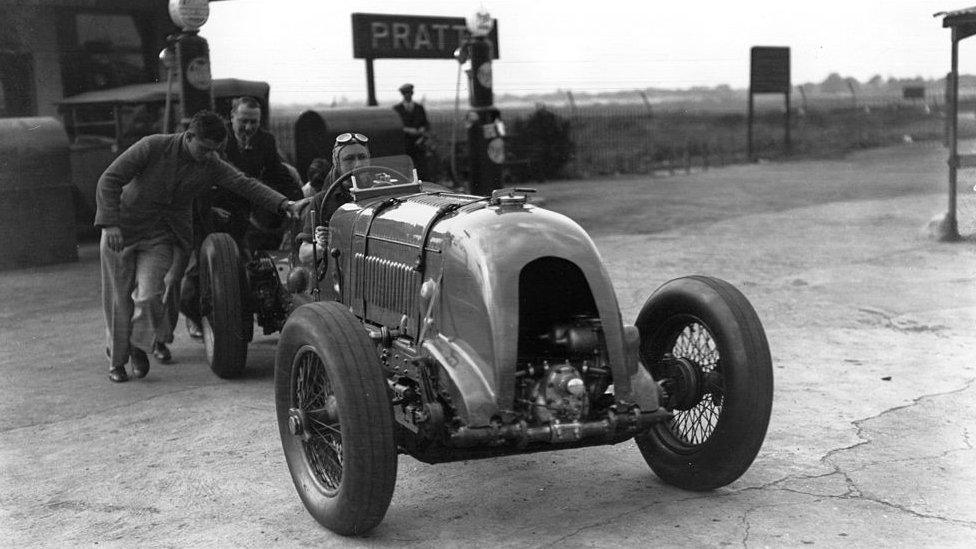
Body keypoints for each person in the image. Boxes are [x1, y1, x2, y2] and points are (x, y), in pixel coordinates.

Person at [96, 110, 306, 383]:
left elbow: (244, 184)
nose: (209, 155)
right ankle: (117, 362)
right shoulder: (153, 146)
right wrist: (109, 224)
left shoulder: (211, 162)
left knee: (149, 295)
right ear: (189, 136)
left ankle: (139, 344)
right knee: (117, 299)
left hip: (160, 236)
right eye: (205, 148)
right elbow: (108, 180)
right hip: (121, 231)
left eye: (215, 150)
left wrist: (285, 204)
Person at [168, 97, 302, 342]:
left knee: (245, 267)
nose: (249, 127)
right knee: (206, 266)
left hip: (242, 214)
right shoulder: (217, 139)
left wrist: (295, 201)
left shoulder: (266, 141)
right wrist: (211, 209)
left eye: (254, 122)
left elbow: (277, 174)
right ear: (232, 117)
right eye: (243, 121)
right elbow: (198, 181)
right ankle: (194, 312)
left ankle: (241, 319)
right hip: (209, 212)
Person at [297, 133, 371, 266]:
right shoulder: (322, 201)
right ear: (337, 163)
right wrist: (320, 247)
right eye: (349, 159)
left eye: (362, 157)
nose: (358, 164)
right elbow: (304, 255)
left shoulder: (384, 192)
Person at [392, 83, 431, 180]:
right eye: (405, 93)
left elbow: (426, 123)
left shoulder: (419, 108)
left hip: (419, 143)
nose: (407, 95)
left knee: (421, 166)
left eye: (409, 93)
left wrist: (422, 129)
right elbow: (395, 126)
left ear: (412, 93)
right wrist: (407, 130)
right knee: (406, 166)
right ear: (402, 95)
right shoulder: (397, 109)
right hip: (405, 143)